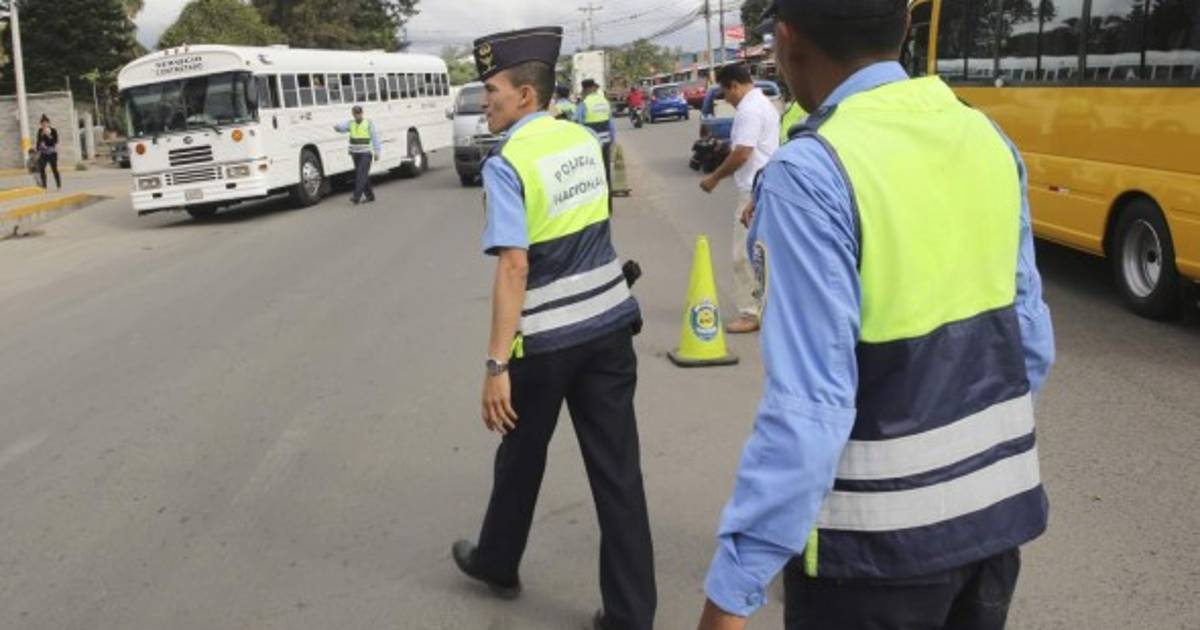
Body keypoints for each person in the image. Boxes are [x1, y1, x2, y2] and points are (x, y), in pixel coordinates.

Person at [695, 1, 1056, 629]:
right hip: (994, 525)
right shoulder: (985, 135)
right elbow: (1030, 341)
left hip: (873, 558)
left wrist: (733, 589)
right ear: (906, 27)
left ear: (787, 41)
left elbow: (808, 410)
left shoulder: (811, 172)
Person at [451, 26, 656, 630]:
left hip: (545, 345)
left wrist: (495, 366)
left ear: (525, 95)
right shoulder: (583, 139)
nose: (485, 103)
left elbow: (515, 267)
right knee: (618, 473)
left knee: (521, 452)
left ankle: (497, 563)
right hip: (610, 325)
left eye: (492, 91)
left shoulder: (507, 162)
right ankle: (631, 614)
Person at [698, 64, 779, 334]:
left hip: (753, 191)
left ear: (734, 86)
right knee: (765, 252)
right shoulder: (763, 104)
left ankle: (750, 312)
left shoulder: (749, 109)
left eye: (725, 92)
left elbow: (743, 153)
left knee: (743, 254)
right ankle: (769, 307)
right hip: (766, 185)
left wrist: (714, 177)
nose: (726, 99)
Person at [332, 105, 380, 205]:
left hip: (366, 153)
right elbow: (340, 128)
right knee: (363, 175)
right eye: (355, 113)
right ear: (353, 114)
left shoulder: (368, 123)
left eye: (359, 113)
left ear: (362, 113)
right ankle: (370, 196)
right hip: (355, 154)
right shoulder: (351, 124)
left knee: (360, 174)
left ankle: (356, 196)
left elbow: (374, 138)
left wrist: (377, 152)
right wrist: (336, 126)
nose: (357, 115)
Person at [576, 78, 616, 191]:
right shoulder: (604, 102)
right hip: (606, 142)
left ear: (585, 90)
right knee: (606, 171)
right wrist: (612, 140)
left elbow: (578, 124)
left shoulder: (584, 104)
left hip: (591, 144)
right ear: (594, 89)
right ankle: (609, 199)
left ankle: (598, 196)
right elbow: (611, 124)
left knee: (593, 173)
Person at [35, 115, 61, 190]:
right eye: (42, 123)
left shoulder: (53, 130)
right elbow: (38, 142)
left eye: (46, 123)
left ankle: (58, 185)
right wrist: (37, 151)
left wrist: (48, 135)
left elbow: (55, 141)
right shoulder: (40, 131)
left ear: (49, 123)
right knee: (42, 168)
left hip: (52, 153)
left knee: (54, 168)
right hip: (43, 153)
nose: (44, 124)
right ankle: (44, 186)